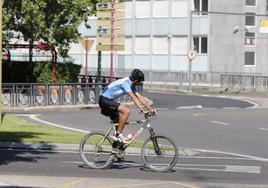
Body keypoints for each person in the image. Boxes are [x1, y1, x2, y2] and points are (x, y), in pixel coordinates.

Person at [99, 69, 157, 144]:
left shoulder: (132, 85)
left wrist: (150, 109)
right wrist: (142, 110)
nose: (140, 83)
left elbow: (140, 97)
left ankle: (116, 147)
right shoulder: (125, 83)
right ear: (136, 80)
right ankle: (117, 135)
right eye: (140, 81)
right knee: (126, 111)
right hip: (104, 100)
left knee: (120, 124)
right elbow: (134, 98)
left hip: (109, 101)